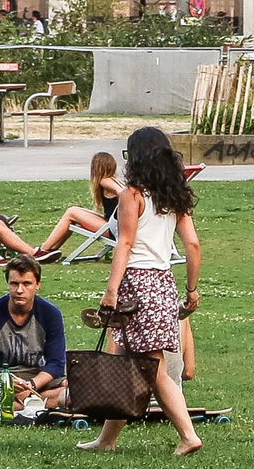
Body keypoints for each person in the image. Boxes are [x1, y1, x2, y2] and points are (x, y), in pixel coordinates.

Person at [78, 127, 204, 456]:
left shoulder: (131, 194)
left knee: (153, 367)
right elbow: (192, 243)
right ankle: (107, 439)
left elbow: (126, 242)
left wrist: (111, 288)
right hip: (164, 282)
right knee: (124, 360)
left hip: (137, 282)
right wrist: (191, 289)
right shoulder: (174, 193)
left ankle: (188, 435)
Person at [0, 255, 67, 414]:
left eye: (27, 284)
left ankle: (14, 406)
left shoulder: (51, 314)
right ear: (8, 284)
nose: (20, 290)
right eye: (14, 284)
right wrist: (2, 380)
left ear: (37, 285)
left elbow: (56, 363)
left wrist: (32, 385)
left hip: (37, 383)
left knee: (73, 389)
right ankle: (29, 406)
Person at [36, 152, 123, 262]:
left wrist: (123, 210)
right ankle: (50, 250)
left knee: (71, 213)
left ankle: (43, 250)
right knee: (73, 211)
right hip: (114, 224)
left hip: (114, 229)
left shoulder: (105, 181)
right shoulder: (117, 180)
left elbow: (122, 193)